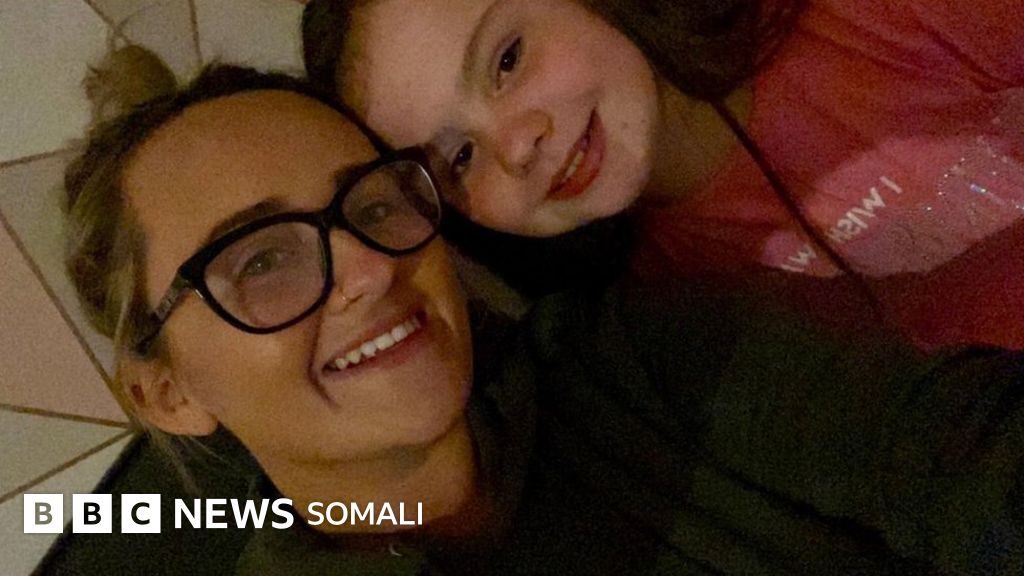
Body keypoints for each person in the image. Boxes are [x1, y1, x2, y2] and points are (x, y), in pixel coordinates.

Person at [59, 51, 1024, 575]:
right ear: (167, 393)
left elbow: (961, 454)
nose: (367, 266)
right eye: (261, 260)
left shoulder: (644, 357)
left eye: (374, 204)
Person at [300, 0, 1024, 350]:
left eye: (508, 59)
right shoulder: (665, 319)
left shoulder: (878, 18)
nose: (515, 147)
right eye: (458, 159)